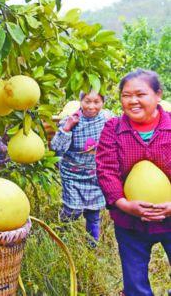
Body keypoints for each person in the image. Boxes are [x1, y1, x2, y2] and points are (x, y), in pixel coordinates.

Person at [96, 69, 171, 296]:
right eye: (126, 95)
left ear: (158, 95)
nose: (133, 101)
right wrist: (124, 204)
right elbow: (106, 170)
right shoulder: (113, 129)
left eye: (140, 94)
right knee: (135, 282)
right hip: (130, 224)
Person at [51, 91, 109, 245]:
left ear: (103, 102)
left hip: (95, 175)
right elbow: (56, 147)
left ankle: (91, 247)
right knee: (72, 211)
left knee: (93, 214)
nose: (91, 106)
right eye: (87, 101)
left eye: (96, 102)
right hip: (72, 174)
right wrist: (68, 128)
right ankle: (60, 236)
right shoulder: (71, 120)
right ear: (80, 100)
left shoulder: (107, 119)